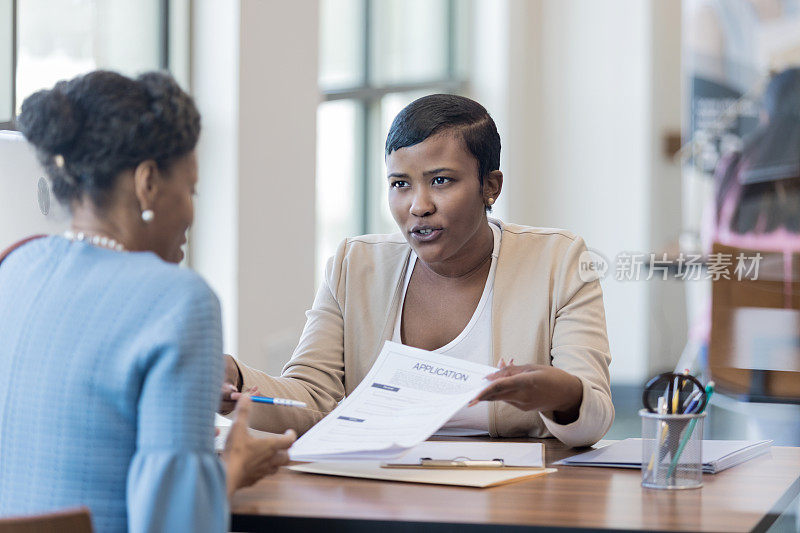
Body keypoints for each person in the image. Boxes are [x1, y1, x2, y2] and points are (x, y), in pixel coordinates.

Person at [221, 94, 613, 448]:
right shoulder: (354, 266)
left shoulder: (558, 262)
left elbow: (593, 418)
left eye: (441, 181)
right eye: (400, 184)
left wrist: (560, 395)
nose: (418, 206)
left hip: (510, 497)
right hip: (382, 490)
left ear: (490, 186)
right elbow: (307, 399)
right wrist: (235, 378)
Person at [0, 71, 295, 532]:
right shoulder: (180, 300)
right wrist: (231, 470)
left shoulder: (12, 266)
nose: (193, 212)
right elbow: (174, 524)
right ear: (148, 182)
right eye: (191, 189)